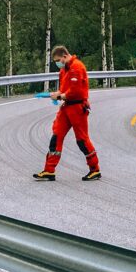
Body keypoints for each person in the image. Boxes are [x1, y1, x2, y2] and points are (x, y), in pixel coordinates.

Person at [33, 45, 100, 181]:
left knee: (82, 140)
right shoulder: (63, 71)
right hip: (66, 108)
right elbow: (63, 90)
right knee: (56, 137)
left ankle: (94, 169)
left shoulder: (77, 67)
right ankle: (49, 170)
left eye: (58, 60)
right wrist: (55, 94)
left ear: (64, 56)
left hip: (77, 108)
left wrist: (59, 96)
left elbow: (75, 92)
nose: (58, 63)